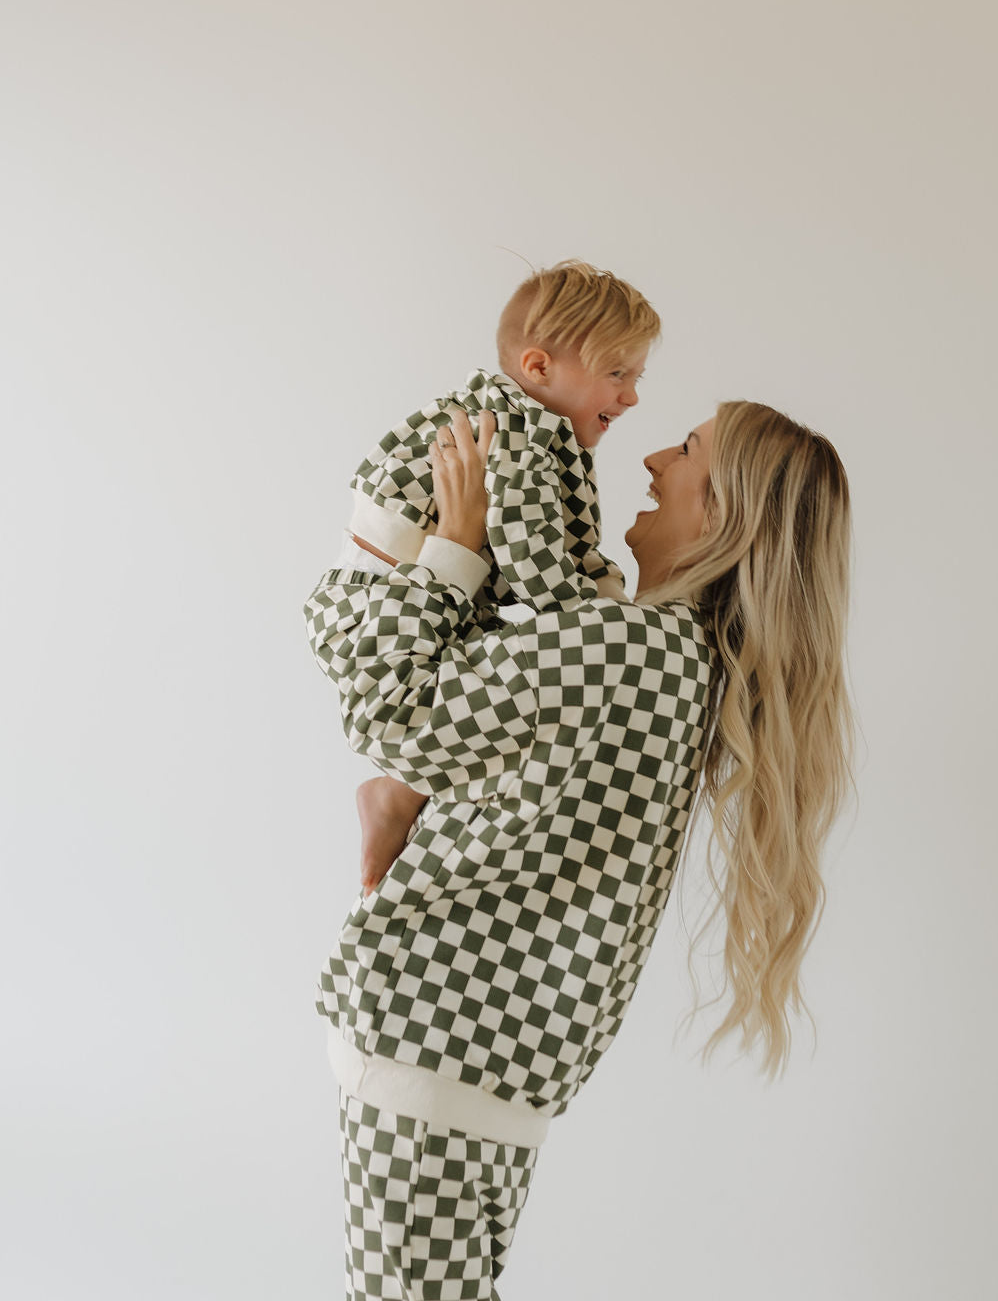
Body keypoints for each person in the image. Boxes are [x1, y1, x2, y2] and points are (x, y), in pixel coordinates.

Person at [305, 400, 853, 1301]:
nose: (650, 462)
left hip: (431, 1040)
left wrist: (454, 544)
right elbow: (518, 759)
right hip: (495, 1075)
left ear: (722, 511)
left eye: (685, 451)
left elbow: (388, 710)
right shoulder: (690, 669)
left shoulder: (627, 649)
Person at [343, 259, 660, 898]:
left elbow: (552, 543)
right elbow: (533, 549)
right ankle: (397, 791)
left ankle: (398, 792)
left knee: (486, 681)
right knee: (472, 688)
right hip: (388, 608)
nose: (630, 397)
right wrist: (594, 610)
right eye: (616, 374)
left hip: (411, 592)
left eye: (636, 377)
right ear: (539, 368)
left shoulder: (523, 426)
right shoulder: (518, 436)